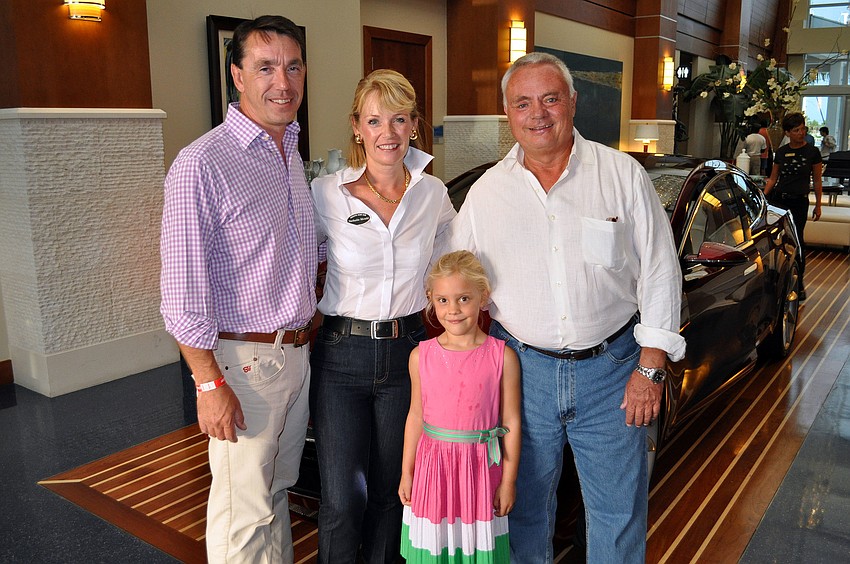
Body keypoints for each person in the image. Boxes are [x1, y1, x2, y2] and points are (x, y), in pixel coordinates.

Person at [447, 52, 686, 563]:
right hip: (522, 375)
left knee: (616, 513)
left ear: (573, 103)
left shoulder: (621, 175)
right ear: (507, 114)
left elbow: (662, 271)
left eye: (550, 99)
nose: (538, 114)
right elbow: (456, 281)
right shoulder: (487, 194)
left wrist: (652, 366)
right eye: (523, 103)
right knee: (522, 508)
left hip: (615, 373)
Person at [159, 15, 316, 564]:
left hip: (294, 354)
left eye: (293, 66)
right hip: (243, 365)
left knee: (273, 497)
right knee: (240, 516)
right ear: (237, 76)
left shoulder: (288, 153)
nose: (283, 81)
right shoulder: (203, 162)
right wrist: (208, 385)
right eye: (265, 67)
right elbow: (180, 295)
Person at [309, 69, 456, 563]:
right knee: (341, 500)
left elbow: (456, 266)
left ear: (414, 125)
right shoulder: (325, 193)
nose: (387, 133)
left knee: (395, 493)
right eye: (375, 120)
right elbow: (297, 261)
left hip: (407, 355)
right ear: (356, 127)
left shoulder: (432, 195)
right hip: (340, 355)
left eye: (398, 119)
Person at [399, 250, 521, 563]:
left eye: (463, 298)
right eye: (443, 300)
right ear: (431, 300)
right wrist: (407, 472)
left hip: (480, 472)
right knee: (434, 552)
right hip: (433, 471)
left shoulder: (502, 356)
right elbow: (415, 416)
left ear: (484, 297)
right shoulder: (420, 356)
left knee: (476, 553)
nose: (453, 310)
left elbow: (512, 421)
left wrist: (507, 482)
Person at [763, 112, 823, 301]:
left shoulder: (813, 152)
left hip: (799, 201)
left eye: (803, 128)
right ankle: (777, 279)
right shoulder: (781, 152)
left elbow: (817, 181)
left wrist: (818, 205)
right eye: (796, 130)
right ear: (787, 133)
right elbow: (773, 178)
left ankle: (799, 281)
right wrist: (763, 198)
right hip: (780, 200)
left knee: (798, 241)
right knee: (778, 240)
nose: (801, 132)